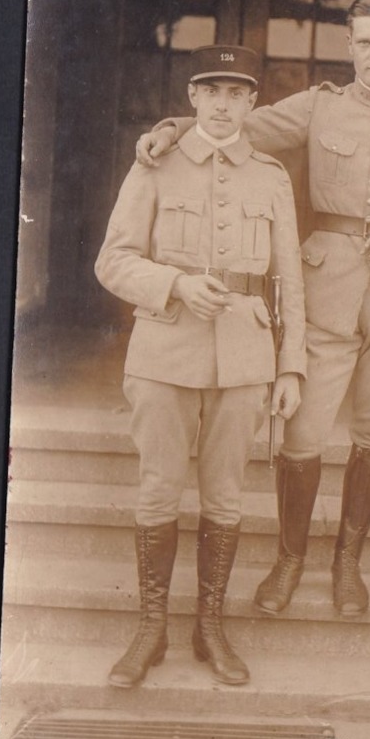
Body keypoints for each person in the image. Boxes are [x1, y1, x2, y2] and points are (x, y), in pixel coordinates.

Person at [136, 0, 370, 618]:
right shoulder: (320, 106)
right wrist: (169, 130)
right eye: (365, 43)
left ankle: (347, 561)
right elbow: (235, 123)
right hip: (328, 292)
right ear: (349, 47)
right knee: (304, 434)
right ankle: (290, 559)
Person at [96, 45, 305, 689]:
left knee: (225, 496)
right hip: (163, 353)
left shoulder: (271, 176)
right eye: (210, 91)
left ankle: (209, 626)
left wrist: (290, 366)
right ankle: (151, 628)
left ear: (251, 102)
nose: (222, 104)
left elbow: (290, 280)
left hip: (245, 358)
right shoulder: (154, 168)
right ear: (192, 97)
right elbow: (113, 261)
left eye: (236, 93)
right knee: (159, 489)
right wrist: (175, 285)